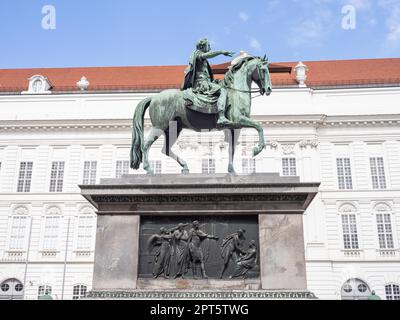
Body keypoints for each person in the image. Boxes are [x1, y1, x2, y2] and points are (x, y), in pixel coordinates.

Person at [182, 38, 234, 127]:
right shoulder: (198, 54)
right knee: (223, 91)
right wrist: (221, 52)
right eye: (208, 45)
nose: (209, 48)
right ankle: (221, 116)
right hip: (201, 83)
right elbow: (209, 55)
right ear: (202, 46)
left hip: (206, 82)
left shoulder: (203, 58)